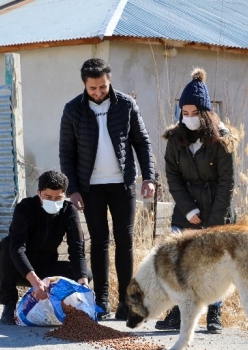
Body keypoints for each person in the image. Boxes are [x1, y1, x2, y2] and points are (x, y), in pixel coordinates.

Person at [59, 58, 156, 320]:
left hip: (122, 185)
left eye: (103, 87)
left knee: (124, 242)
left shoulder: (126, 104)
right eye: (93, 88)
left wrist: (149, 177)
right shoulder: (72, 110)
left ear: (109, 81)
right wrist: (73, 189)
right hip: (90, 188)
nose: (99, 92)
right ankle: (101, 301)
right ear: (84, 85)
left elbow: (142, 142)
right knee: (99, 241)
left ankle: (126, 302)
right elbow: (66, 153)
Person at [155, 67, 238, 333]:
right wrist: (188, 209)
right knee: (180, 262)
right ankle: (178, 312)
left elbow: (227, 183)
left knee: (216, 263)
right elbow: (173, 177)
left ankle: (214, 312)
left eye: (194, 113)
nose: (189, 118)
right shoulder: (174, 139)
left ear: (205, 113)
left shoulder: (222, 140)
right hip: (186, 211)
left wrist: (214, 223)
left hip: (217, 209)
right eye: (185, 112)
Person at [0, 170, 91, 325]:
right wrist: (35, 282)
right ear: (38, 193)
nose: (53, 201)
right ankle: (9, 304)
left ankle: (59, 307)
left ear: (64, 195)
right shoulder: (25, 208)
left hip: (46, 268)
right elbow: (17, 248)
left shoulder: (69, 211)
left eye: (58, 198)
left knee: (84, 273)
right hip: (16, 268)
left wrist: (83, 286)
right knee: (7, 245)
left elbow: (77, 250)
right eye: (48, 197)